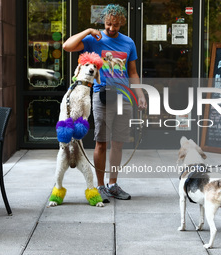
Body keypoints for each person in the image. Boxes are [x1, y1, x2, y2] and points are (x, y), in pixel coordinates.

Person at [63, 4, 147, 202]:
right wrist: (89, 31)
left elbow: (132, 72)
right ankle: (100, 186)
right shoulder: (95, 39)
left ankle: (113, 184)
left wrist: (140, 95)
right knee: (101, 142)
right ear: (104, 22)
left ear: (122, 23)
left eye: (116, 25)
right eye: (108, 24)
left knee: (118, 143)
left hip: (124, 97)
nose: (111, 28)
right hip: (102, 96)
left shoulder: (128, 43)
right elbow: (67, 46)